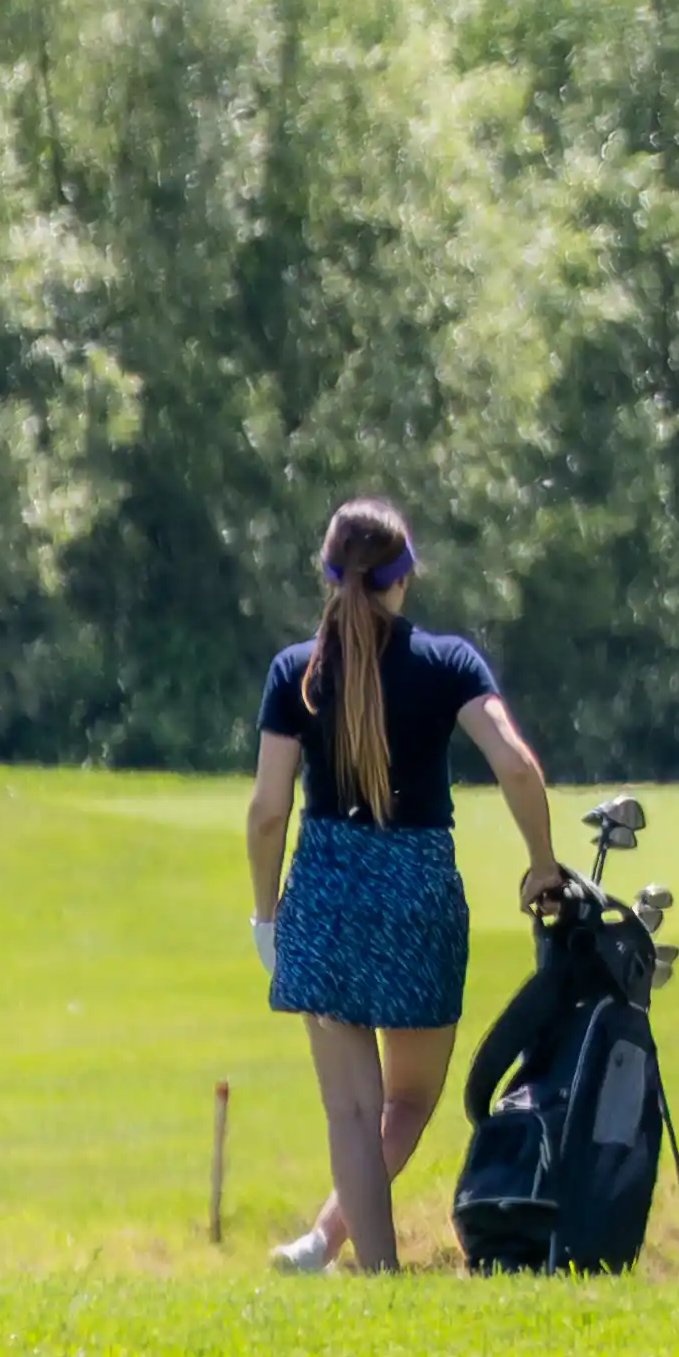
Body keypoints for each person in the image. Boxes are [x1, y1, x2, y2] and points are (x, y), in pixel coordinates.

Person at [247, 496, 567, 1275]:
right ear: (405, 575)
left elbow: (266, 811)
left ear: (327, 571)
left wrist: (265, 915)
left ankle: (360, 1261)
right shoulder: (448, 661)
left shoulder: (297, 671)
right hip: (418, 888)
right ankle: (335, 1251)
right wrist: (542, 860)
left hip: (323, 888)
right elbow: (517, 764)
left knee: (350, 1110)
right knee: (407, 1103)